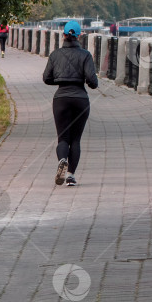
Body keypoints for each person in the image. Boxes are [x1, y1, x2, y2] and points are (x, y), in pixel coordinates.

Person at [43, 20, 98, 186]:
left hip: (61, 99)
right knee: (76, 139)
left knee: (63, 138)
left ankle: (62, 160)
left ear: (64, 35)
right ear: (79, 35)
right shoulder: (85, 55)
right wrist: (84, 81)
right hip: (81, 99)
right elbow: (93, 81)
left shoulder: (55, 55)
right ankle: (71, 176)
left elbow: (46, 78)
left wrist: (61, 81)